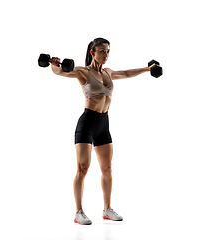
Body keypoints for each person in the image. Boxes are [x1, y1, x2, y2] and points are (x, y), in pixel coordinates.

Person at [50, 38, 155, 225]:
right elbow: (62, 72)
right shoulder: (84, 72)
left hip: (103, 124)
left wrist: (147, 69)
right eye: (101, 51)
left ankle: (107, 209)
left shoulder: (108, 72)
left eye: (107, 51)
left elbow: (126, 73)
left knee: (107, 169)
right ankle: (78, 212)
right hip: (87, 123)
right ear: (92, 52)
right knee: (83, 169)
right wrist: (55, 65)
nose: (105, 55)